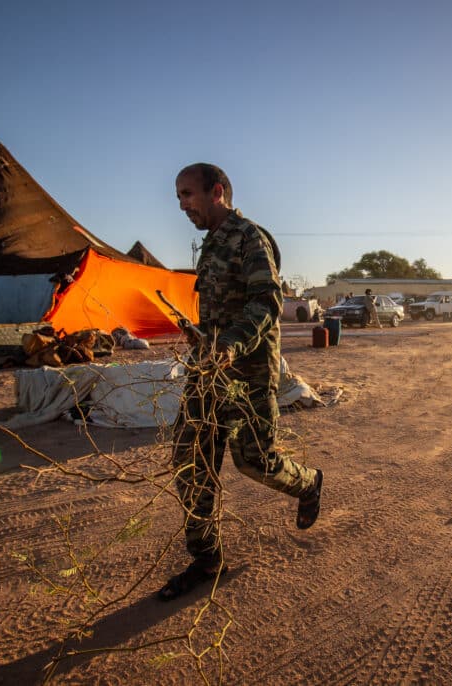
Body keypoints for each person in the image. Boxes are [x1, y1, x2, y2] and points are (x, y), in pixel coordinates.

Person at [158, 163, 323, 601]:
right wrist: (201, 337)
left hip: (247, 372)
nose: (181, 204)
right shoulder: (210, 245)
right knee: (190, 458)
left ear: (217, 192)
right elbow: (221, 308)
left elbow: (266, 301)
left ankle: (308, 484)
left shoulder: (251, 238)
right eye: (177, 196)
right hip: (207, 372)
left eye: (187, 194)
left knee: (254, 461)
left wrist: (230, 344)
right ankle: (207, 558)